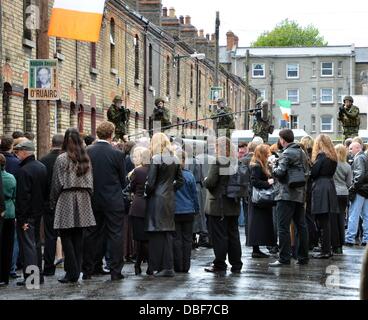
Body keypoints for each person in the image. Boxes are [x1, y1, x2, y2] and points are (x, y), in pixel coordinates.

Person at [82, 121, 126, 281]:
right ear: (112, 134)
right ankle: (115, 271)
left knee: (91, 234)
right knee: (115, 234)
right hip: (113, 199)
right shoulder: (117, 154)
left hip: (92, 198)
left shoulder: (87, 151)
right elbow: (123, 180)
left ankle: (89, 269)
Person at [50, 129, 96, 283]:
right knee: (78, 237)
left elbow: (56, 183)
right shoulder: (85, 158)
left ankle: (72, 272)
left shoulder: (62, 159)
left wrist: (53, 201)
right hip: (83, 198)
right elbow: (91, 183)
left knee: (66, 236)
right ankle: (75, 270)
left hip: (67, 197)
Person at [145, 133, 184, 277]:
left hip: (157, 198)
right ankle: (167, 266)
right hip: (169, 198)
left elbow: (150, 183)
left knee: (156, 232)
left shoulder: (156, 158)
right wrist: (170, 189)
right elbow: (180, 181)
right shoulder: (175, 158)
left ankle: (159, 266)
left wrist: (146, 193)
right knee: (167, 232)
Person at [269, 129, 309, 267]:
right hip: (300, 194)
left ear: (282, 140)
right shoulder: (302, 152)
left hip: (285, 195)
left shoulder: (286, 153)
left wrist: (273, 165)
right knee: (301, 226)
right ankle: (303, 257)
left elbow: (280, 173)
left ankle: (284, 258)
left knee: (283, 227)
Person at [203, 137, 243, 276]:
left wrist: (205, 180)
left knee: (219, 236)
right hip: (233, 204)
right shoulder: (236, 162)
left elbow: (211, 182)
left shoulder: (218, 161)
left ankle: (220, 264)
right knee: (233, 235)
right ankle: (236, 264)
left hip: (218, 206)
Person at [13, 140, 47, 286]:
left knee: (29, 247)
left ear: (25, 151)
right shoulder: (41, 167)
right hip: (38, 212)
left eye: (18, 151)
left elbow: (22, 198)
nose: (17, 153)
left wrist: (21, 219)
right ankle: (37, 276)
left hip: (27, 215)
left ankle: (32, 279)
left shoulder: (24, 170)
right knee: (36, 245)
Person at [39, 134, 64, 276]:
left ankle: (48, 267)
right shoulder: (67, 160)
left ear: (51, 143)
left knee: (50, 236)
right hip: (64, 201)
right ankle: (71, 266)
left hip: (48, 202)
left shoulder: (43, 160)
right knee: (68, 234)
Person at [310, 135, 339, 259]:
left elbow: (314, 173)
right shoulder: (333, 157)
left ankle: (325, 250)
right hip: (330, 186)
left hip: (321, 187)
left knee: (322, 221)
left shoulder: (321, 157)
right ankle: (327, 249)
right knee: (326, 220)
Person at [247, 144, 276, 258]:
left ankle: (257, 249)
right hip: (259, 200)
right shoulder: (257, 166)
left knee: (258, 224)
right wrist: (268, 183)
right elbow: (255, 181)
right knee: (258, 224)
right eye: (267, 153)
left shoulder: (258, 164)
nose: (269, 155)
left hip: (259, 200)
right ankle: (256, 249)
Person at [173, 151, 200, 273]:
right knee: (187, 239)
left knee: (177, 239)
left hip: (175, 210)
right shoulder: (189, 176)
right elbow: (195, 194)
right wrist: (196, 209)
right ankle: (186, 266)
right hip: (188, 210)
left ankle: (178, 266)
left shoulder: (171, 176)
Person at [128, 147, 150, 275]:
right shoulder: (153, 171)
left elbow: (131, 187)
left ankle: (137, 265)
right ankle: (150, 265)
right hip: (150, 207)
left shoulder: (138, 171)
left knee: (138, 238)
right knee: (148, 238)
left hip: (137, 207)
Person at [345, 142, 368, 247]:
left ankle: (350, 238)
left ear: (358, 148)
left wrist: (353, 188)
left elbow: (360, 174)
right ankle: (366, 238)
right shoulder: (365, 157)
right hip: (366, 191)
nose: (349, 151)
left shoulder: (359, 158)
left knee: (353, 215)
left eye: (351, 149)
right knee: (366, 216)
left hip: (359, 190)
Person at [333, 144, 352, 255]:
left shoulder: (332, 165)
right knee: (341, 218)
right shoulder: (347, 166)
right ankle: (341, 242)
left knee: (333, 219)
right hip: (344, 193)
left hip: (333, 193)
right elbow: (349, 183)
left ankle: (335, 244)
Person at [0, 154, 16, 286]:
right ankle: (5, 275)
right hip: (10, 213)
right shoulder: (11, 178)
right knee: (8, 245)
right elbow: (15, 195)